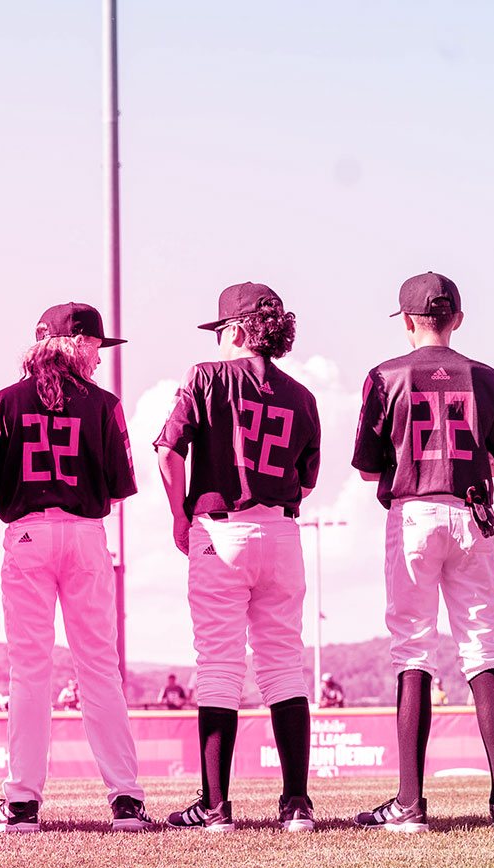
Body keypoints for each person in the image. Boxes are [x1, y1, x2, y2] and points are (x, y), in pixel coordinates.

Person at [349, 272, 494, 833]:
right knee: (482, 646)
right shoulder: (488, 378)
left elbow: (369, 466)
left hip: (415, 510)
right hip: (471, 511)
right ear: (459, 319)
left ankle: (410, 803)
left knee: (412, 651)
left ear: (406, 321)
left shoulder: (384, 375)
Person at [0, 303, 149, 833]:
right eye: (95, 344)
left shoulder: (6, 400)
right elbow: (117, 489)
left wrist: (17, 517)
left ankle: (22, 802)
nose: (98, 355)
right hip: (88, 533)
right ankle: (126, 800)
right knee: (99, 669)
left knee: (30, 671)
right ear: (78, 345)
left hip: (28, 531)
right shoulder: (105, 404)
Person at [155, 282, 320, 833]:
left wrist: (180, 515)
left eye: (222, 330)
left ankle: (215, 806)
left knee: (220, 664)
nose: (220, 339)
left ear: (238, 329)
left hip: (220, 527)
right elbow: (309, 477)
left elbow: (167, 450)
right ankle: (296, 803)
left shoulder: (206, 375)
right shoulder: (302, 395)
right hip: (282, 531)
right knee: (283, 664)